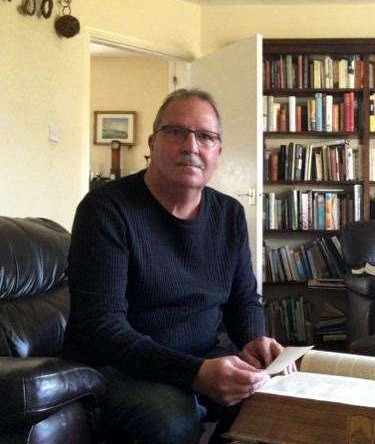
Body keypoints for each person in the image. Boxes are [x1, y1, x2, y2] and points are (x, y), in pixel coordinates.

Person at [64, 88, 286, 443]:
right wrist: (195, 373)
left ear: (218, 152)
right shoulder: (106, 209)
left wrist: (254, 341)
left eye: (206, 137)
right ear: (152, 142)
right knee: (172, 418)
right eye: (176, 132)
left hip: (202, 356)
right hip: (120, 366)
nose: (191, 146)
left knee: (273, 401)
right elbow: (100, 328)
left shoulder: (229, 214)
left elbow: (243, 300)